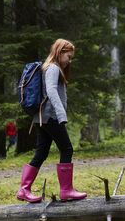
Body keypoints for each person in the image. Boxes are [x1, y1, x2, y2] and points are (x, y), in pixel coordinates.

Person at [17, 39, 87, 202]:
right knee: (67, 149)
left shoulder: (49, 68)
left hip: (43, 118)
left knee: (41, 153)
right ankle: (66, 190)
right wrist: (61, 115)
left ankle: (24, 190)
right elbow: (51, 91)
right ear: (60, 52)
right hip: (50, 117)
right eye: (69, 57)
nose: (70, 61)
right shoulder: (53, 68)